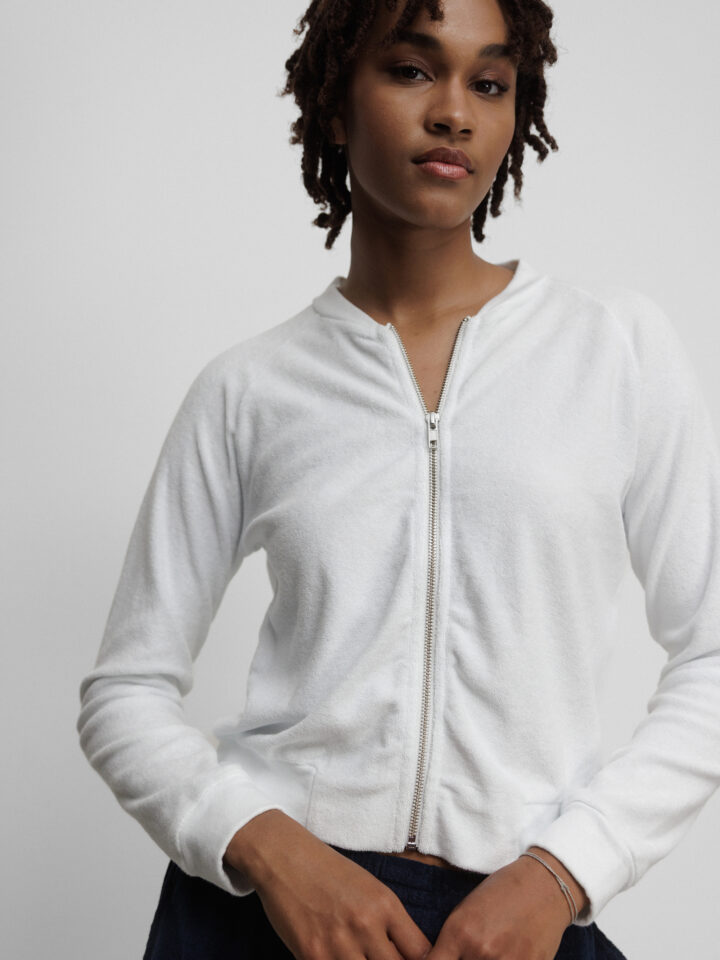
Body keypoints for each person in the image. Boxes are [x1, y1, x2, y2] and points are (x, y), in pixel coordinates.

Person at [76, 0, 720, 958]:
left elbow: (712, 655)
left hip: (515, 921)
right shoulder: (250, 389)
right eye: (412, 70)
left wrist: (563, 871)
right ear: (336, 106)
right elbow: (125, 690)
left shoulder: (614, 351)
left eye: (489, 83)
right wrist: (268, 849)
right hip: (268, 916)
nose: (454, 112)